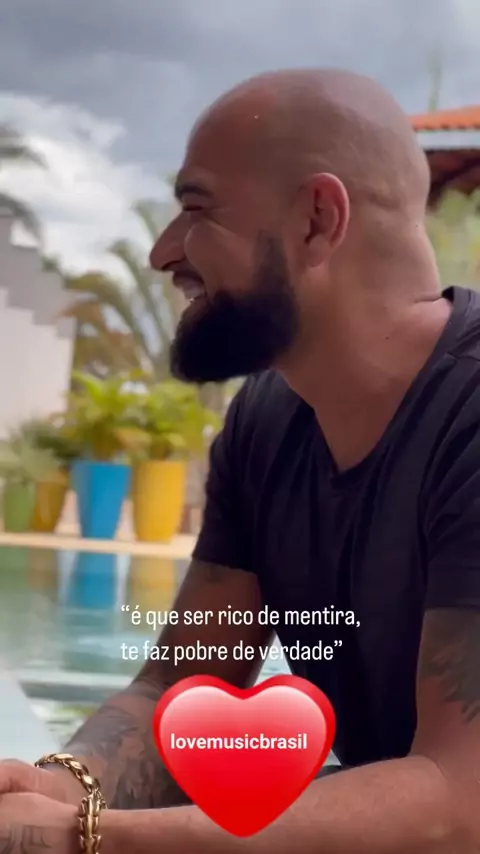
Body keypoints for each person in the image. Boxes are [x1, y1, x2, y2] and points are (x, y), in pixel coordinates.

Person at [1, 66, 480, 853]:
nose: (163, 252)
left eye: (196, 210)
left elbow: (460, 805)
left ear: (318, 220)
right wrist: (58, 786)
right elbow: (183, 686)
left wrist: (89, 836)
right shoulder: (266, 421)